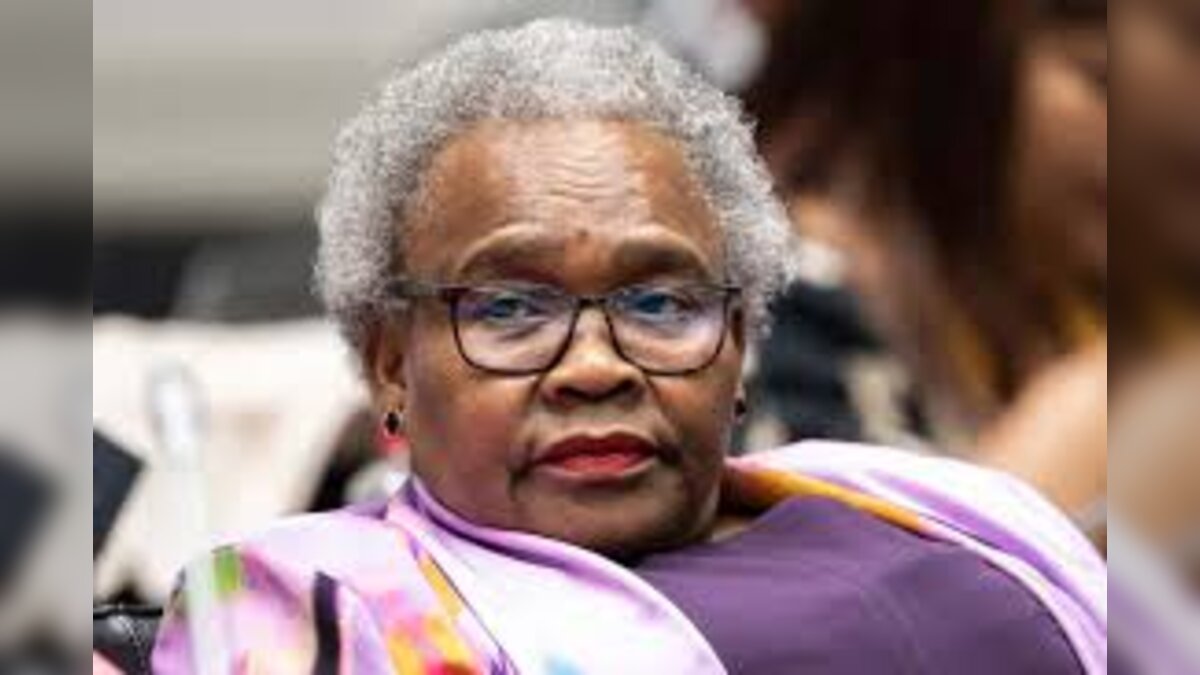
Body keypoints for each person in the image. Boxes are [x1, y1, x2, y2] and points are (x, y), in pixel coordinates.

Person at [151, 20, 1104, 674]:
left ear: (738, 341)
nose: (597, 366)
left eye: (659, 302)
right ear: (391, 363)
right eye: (510, 308)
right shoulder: (316, 600)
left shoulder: (951, 507)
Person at [739, 0, 1108, 517]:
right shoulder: (787, 296)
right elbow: (853, 559)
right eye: (1103, 83)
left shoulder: (1057, 313)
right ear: (958, 60)